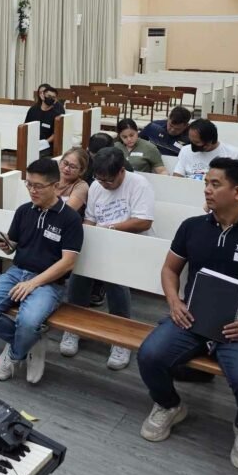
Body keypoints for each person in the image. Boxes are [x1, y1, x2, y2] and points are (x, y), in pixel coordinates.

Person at [137, 157, 238, 472]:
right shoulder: (192, 228)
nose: (206, 189)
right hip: (191, 320)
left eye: (215, 184)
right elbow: (170, 269)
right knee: (149, 355)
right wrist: (174, 302)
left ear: (237, 192)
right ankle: (169, 404)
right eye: (206, 183)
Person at [0, 159, 83, 384]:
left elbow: (68, 263)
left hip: (49, 283)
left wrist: (33, 283)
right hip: (17, 272)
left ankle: (15, 354)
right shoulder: (24, 211)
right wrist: (7, 246)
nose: (32, 190)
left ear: (55, 185)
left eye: (38, 186)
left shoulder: (70, 218)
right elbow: (15, 243)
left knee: (29, 321)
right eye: (29, 184)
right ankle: (30, 342)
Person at [63, 148, 155, 367]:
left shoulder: (138, 184)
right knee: (80, 269)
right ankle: (73, 325)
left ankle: (121, 336)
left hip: (130, 244)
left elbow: (144, 222)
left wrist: (109, 229)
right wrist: (86, 238)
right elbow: (90, 219)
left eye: (109, 181)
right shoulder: (96, 185)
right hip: (102, 240)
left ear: (121, 171)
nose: (104, 184)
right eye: (100, 179)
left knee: (115, 279)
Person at [173, 119, 238, 187]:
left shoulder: (233, 154)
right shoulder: (185, 150)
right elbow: (177, 177)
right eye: (190, 140)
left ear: (209, 143)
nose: (192, 145)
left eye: (197, 142)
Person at [25, 86, 61, 155]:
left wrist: (44, 143)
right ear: (43, 96)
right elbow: (26, 125)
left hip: (46, 145)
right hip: (32, 143)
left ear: (55, 100)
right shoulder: (33, 110)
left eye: (53, 97)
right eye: (49, 96)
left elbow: (55, 134)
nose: (50, 98)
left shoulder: (57, 115)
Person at [55, 147, 90, 214]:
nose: (66, 169)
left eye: (72, 167)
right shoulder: (50, 177)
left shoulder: (81, 186)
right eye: (65, 163)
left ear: (81, 171)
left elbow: (66, 212)